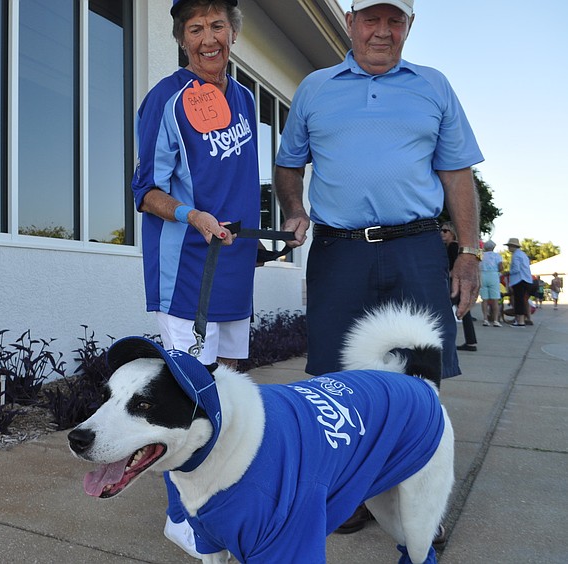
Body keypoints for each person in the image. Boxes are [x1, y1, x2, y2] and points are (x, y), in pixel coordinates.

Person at [273, 0, 482, 548]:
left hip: (416, 248)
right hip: (339, 251)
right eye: (371, 18)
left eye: (395, 20)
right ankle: (349, 494)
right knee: (334, 380)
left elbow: (457, 174)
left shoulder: (434, 86)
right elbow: (289, 163)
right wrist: (294, 209)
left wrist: (469, 252)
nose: (382, 31)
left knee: (419, 385)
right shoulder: (315, 88)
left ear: (409, 25)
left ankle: (420, 505)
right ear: (350, 22)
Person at [130, 0, 259, 557]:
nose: (209, 38)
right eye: (195, 29)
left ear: (233, 32)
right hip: (186, 271)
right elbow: (145, 191)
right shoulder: (166, 98)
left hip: (233, 266)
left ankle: (218, 499)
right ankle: (179, 517)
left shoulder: (245, 99)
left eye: (217, 26)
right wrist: (192, 214)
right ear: (182, 39)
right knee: (189, 395)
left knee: (226, 390)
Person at [442, 223, 478, 350]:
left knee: (442, 309)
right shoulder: (456, 247)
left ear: (452, 232)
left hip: (454, 283)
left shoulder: (452, 246)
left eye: (445, 231)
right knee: (465, 313)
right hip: (459, 283)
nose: (441, 233)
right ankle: (471, 342)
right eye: (441, 230)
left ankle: (441, 341)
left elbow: (456, 268)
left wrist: (447, 275)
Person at [506, 238, 533, 327]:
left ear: (513, 246)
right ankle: (520, 319)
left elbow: (516, 269)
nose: (508, 248)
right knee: (522, 300)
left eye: (509, 246)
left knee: (519, 301)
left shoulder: (516, 255)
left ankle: (520, 321)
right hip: (526, 280)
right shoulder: (523, 254)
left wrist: (508, 272)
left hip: (519, 280)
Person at [479, 240, 504, 326]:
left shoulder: (481, 255)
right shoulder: (497, 256)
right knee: (495, 300)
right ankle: (496, 320)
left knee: (484, 299)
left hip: (483, 275)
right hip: (493, 275)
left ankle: (485, 319)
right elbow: (501, 267)